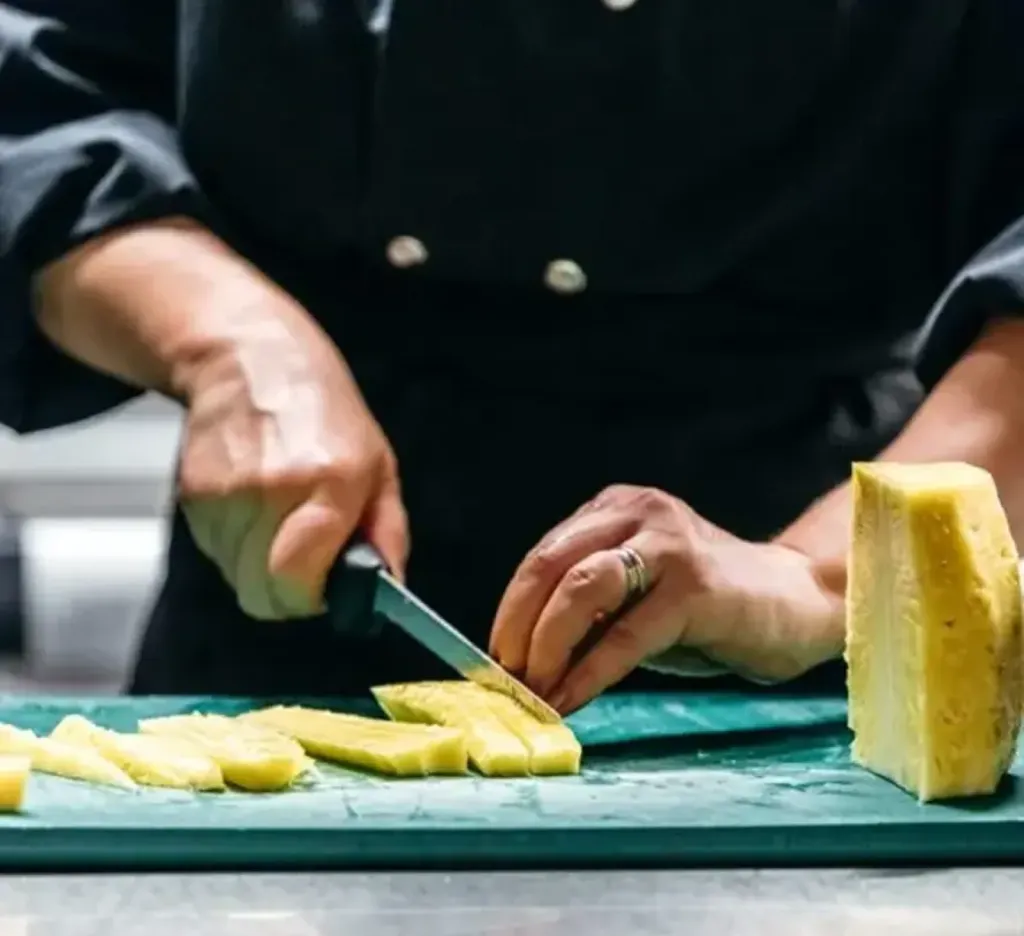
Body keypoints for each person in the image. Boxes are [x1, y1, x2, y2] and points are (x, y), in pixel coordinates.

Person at [2, 1, 1024, 714]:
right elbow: (40, 102)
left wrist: (819, 576)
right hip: (284, 620)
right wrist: (229, 341)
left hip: (811, 654)